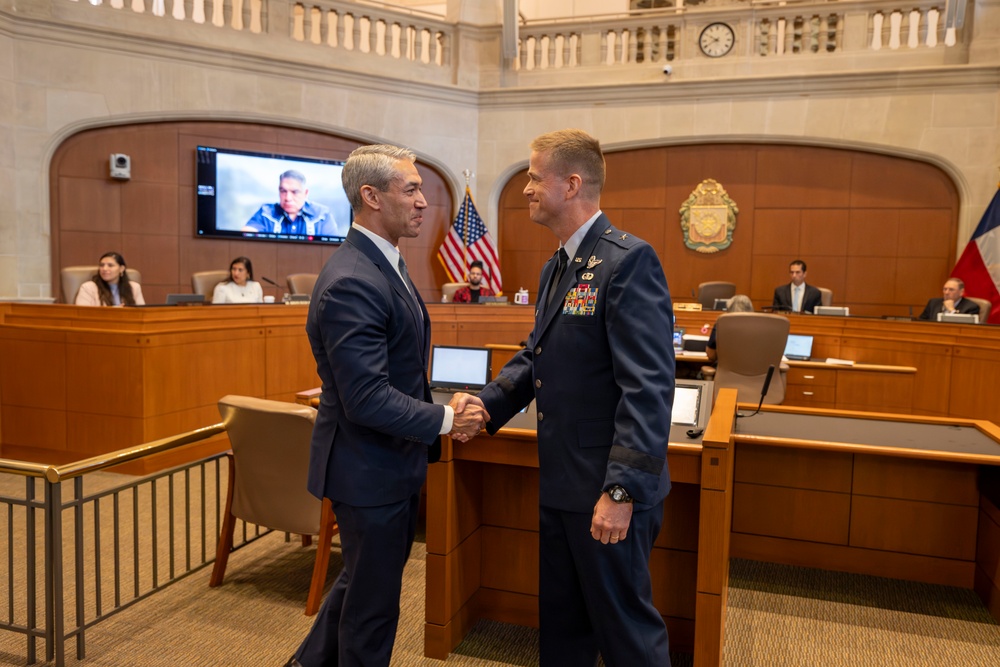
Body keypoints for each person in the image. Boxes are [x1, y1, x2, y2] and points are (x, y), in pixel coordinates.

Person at [456, 129, 675, 666]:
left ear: (572, 184)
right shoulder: (557, 265)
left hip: (605, 489)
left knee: (626, 633)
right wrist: (488, 405)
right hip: (561, 480)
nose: (525, 189)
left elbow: (648, 389)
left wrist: (621, 492)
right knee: (563, 626)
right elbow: (536, 355)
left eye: (534, 178)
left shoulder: (628, 262)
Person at [286, 145, 488, 667]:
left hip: (384, 464)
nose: (424, 201)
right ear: (371, 196)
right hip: (366, 470)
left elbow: (396, 368)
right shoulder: (354, 277)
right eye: (411, 189)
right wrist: (446, 419)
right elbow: (367, 398)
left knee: (360, 587)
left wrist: (439, 406)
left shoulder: (383, 261)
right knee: (372, 612)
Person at [243, 170, 338, 237]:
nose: (288, 198)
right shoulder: (266, 212)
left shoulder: (322, 214)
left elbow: (333, 250)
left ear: (305, 193)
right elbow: (245, 236)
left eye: (294, 192)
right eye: (283, 191)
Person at [75, 251, 145, 306]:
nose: (104, 269)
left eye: (110, 265)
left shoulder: (134, 287)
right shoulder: (88, 288)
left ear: (121, 269)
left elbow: (142, 313)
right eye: (102, 265)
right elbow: (82, 314)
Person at [706, 294, 754, 363]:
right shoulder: (762, 327)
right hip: (757, 372)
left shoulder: (721, 324)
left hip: (724, 372)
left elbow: (711, 355)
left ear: (729, 310)